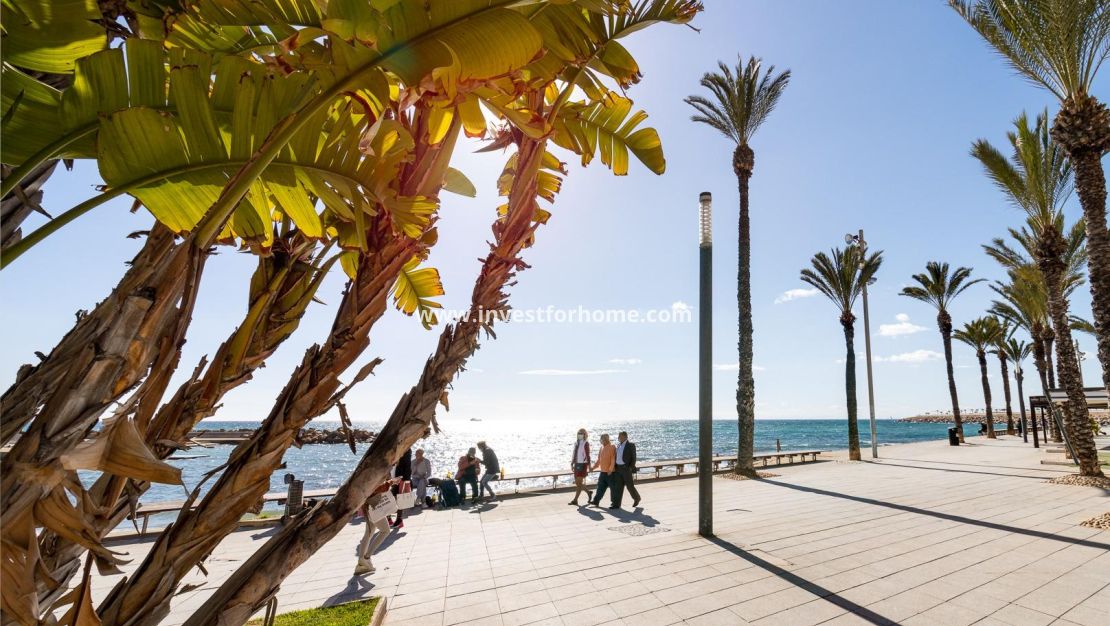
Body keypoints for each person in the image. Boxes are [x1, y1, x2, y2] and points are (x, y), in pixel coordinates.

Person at [354, 476, 400, 575]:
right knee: (385, 531)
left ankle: (361, 563)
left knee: (369, 533)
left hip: (368, 505)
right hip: (373, 505)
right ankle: (366, 557)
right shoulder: (376, 469)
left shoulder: (367, 471)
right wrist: (391, 482)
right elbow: (376, 487)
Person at [610, 431, 640, 509]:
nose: (618, 438)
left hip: (626, 468)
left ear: (624, 437)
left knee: (630, 486)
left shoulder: (631, 445)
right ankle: (616, 504)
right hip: (618, 469)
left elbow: (634, 458)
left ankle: (637, 498)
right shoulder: (618, 445)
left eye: (619, 436)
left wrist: (630, 467)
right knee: (618, 487)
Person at [589, 433, 615, 507]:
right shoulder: (601, 448)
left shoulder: (612, 447)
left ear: (606, 440)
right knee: (600, 487)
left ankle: (614, 503)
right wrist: (593, 468)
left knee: (613, 489)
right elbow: (599, 460)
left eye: (602, 439)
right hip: (603, 472)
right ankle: (596, 501)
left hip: (610, 473)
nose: (601, 440)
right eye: (601, 439)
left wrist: (610, 469)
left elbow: (613, 459)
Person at [389, 449, 412, 528]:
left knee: (399, 499)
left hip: (400, 478)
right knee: (390, 498)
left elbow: (407, 465)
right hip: (393, 478)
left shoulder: (406, 450)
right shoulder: (397, 449)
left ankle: (399, 520)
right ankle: (389, 519)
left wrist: (405, 479)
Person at [569, 428, 593, 506]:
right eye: (579, 433)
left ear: (585, 435)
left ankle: (575, 500)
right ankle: (589, 493)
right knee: (577, 483)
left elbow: (588, 455)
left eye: (582, 433)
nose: (580, 434)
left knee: (579, 483)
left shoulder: (586, 443)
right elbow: (574, 453)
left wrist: (589, 465)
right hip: (576, 464)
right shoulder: (576, 443)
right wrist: (572, 463)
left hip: (582, 464)